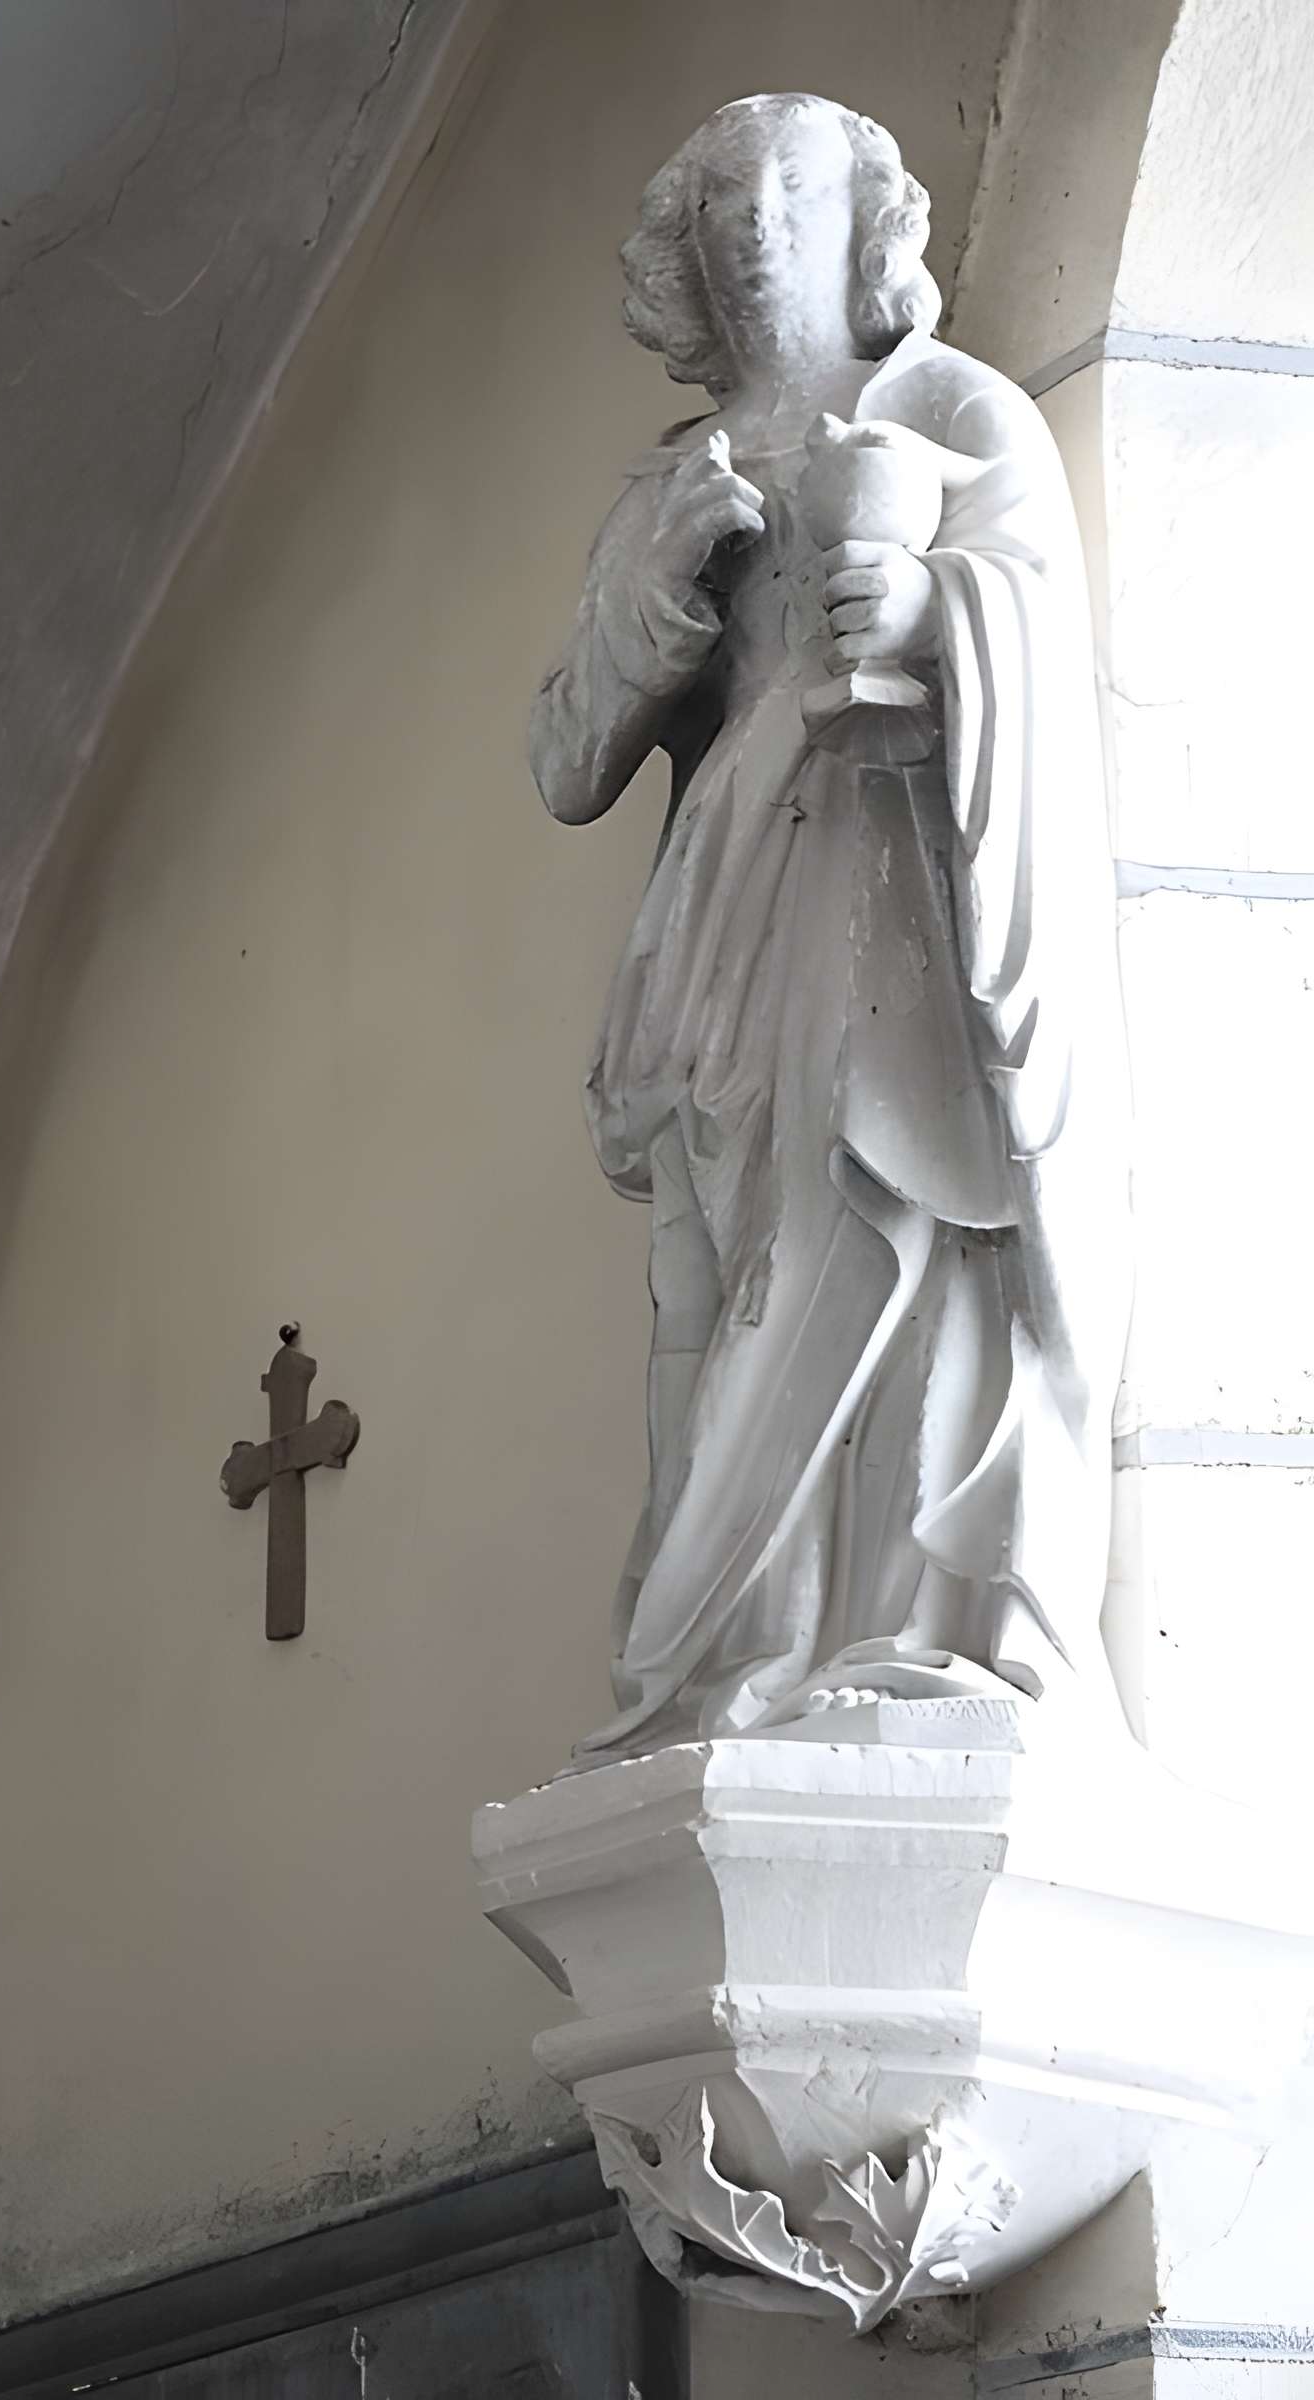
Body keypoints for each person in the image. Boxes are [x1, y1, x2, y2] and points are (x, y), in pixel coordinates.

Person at [529, 94, 1130, 1759]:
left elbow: (1035, 621)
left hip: (911, 912)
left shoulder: (955, 410)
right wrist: (662, 590)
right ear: (684, 260)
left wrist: (942, 607)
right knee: (729, 1279)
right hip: (733, 936)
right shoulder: (676, 481)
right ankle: (726, 1665)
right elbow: (567, 758)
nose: (755, 232)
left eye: (788, 196)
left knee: (911, 1230)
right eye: (719, 206)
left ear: (870, 229)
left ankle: (907, 1634)